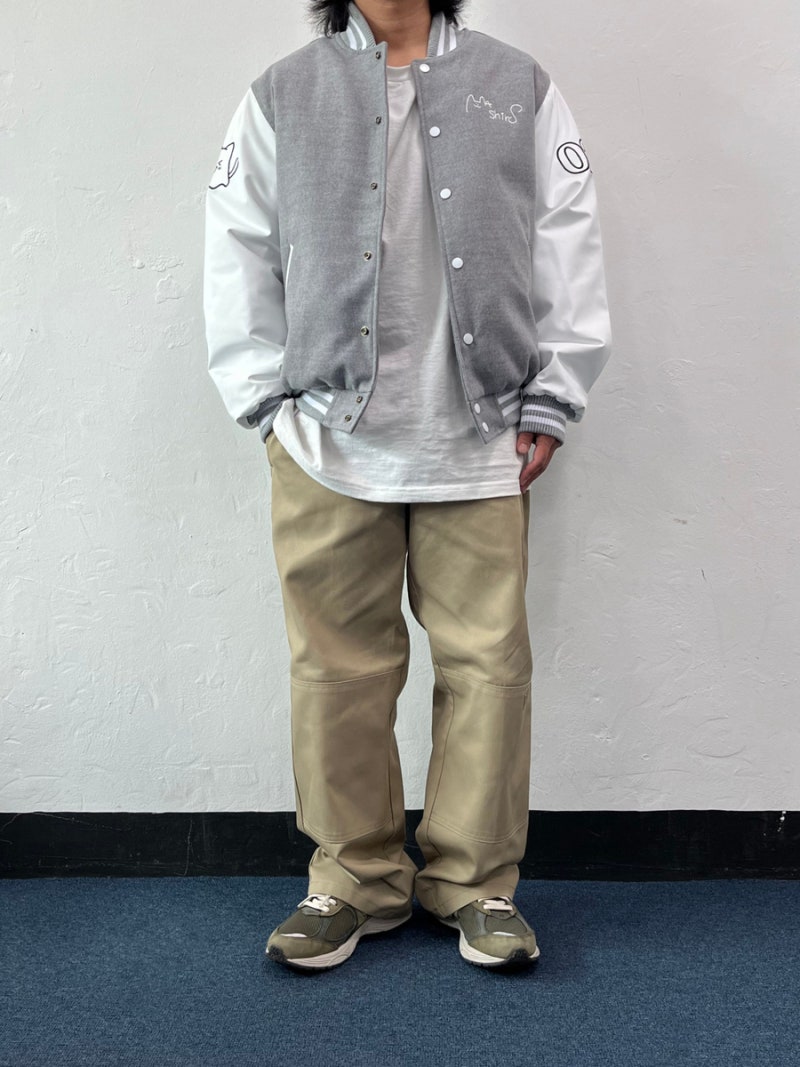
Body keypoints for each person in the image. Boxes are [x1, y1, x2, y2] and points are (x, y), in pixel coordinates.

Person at [203, 0, 611, 971]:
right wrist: (265, 402)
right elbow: (236, 242)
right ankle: (352, 880)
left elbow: (568, 238)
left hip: (479, 439)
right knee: (336, 672)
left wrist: (554, 393)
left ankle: (476, 885)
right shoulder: (283, 95)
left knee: (487, 671)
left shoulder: (516, 86)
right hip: (327, 443)